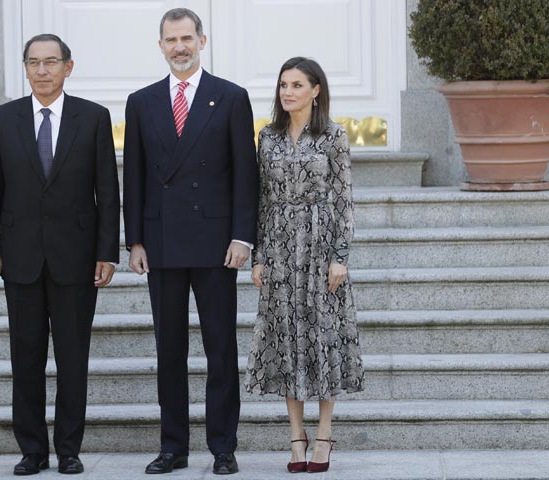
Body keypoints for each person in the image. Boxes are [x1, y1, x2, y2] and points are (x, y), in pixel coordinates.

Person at [0, 33, 120, 476]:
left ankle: (69, 449)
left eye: (51, 62)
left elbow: (107, 193)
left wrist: (107, 252)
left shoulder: (93, 118)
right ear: (25, 67)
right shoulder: (3, 118)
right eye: (34, 62)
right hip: (19, 259)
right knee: (26, 357)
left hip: (76, 259)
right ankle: (32, 450)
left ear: (68, 67)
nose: (42, 70)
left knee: (74, 358)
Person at [122, 8, 258, 476]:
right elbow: (135, 177)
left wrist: (244, 235)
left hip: (218, 243)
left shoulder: (231, 97)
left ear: (203, 40)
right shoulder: (141, 102)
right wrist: (134, 240)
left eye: (186, 37)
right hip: (161, 243)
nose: (179, 46)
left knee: (220, 349)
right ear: (160, 45)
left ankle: (223, 446)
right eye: (170, 39)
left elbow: (246, 172)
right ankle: (173, 447)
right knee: (169, 350)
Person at [244, 57, 365, 474]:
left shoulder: (333, 137)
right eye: (283, 84)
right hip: (279, 248)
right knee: (286, 340)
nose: (288, 91)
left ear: (316, 90)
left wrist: (340, 258)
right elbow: (260, 199)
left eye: (297, 84)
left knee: (323, 338)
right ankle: (296, 437)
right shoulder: (268, 137)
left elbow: (345, 199)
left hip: (320, 246)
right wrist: (258, 256)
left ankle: (325, 434)